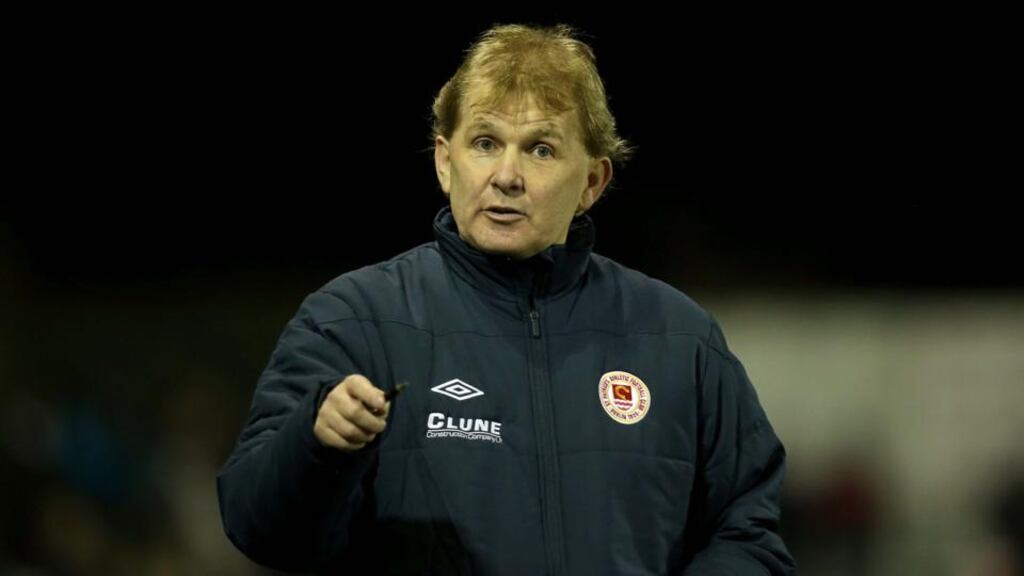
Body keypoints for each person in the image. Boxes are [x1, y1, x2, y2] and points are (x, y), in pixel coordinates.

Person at [217, 23, 794, 575]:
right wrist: (316, 444)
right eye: (486, 143)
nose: (507, 176)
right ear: (446, 161)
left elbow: (748, 533)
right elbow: (256, 526)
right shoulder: (353, 320)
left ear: (592, 182)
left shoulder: (680, 339)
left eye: (541, 149)